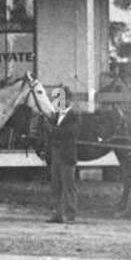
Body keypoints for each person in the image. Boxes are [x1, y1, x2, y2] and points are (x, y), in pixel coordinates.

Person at [47, 87, 79, 223]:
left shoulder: (74, 115)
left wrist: (53, 130)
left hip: (67, 154)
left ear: (68, 100)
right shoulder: (56, 115)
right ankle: (57, 214)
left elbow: (70, 132)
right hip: (56, 154)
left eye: (62, 98)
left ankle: (70, 214)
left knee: (68, 186)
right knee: (56, 185)